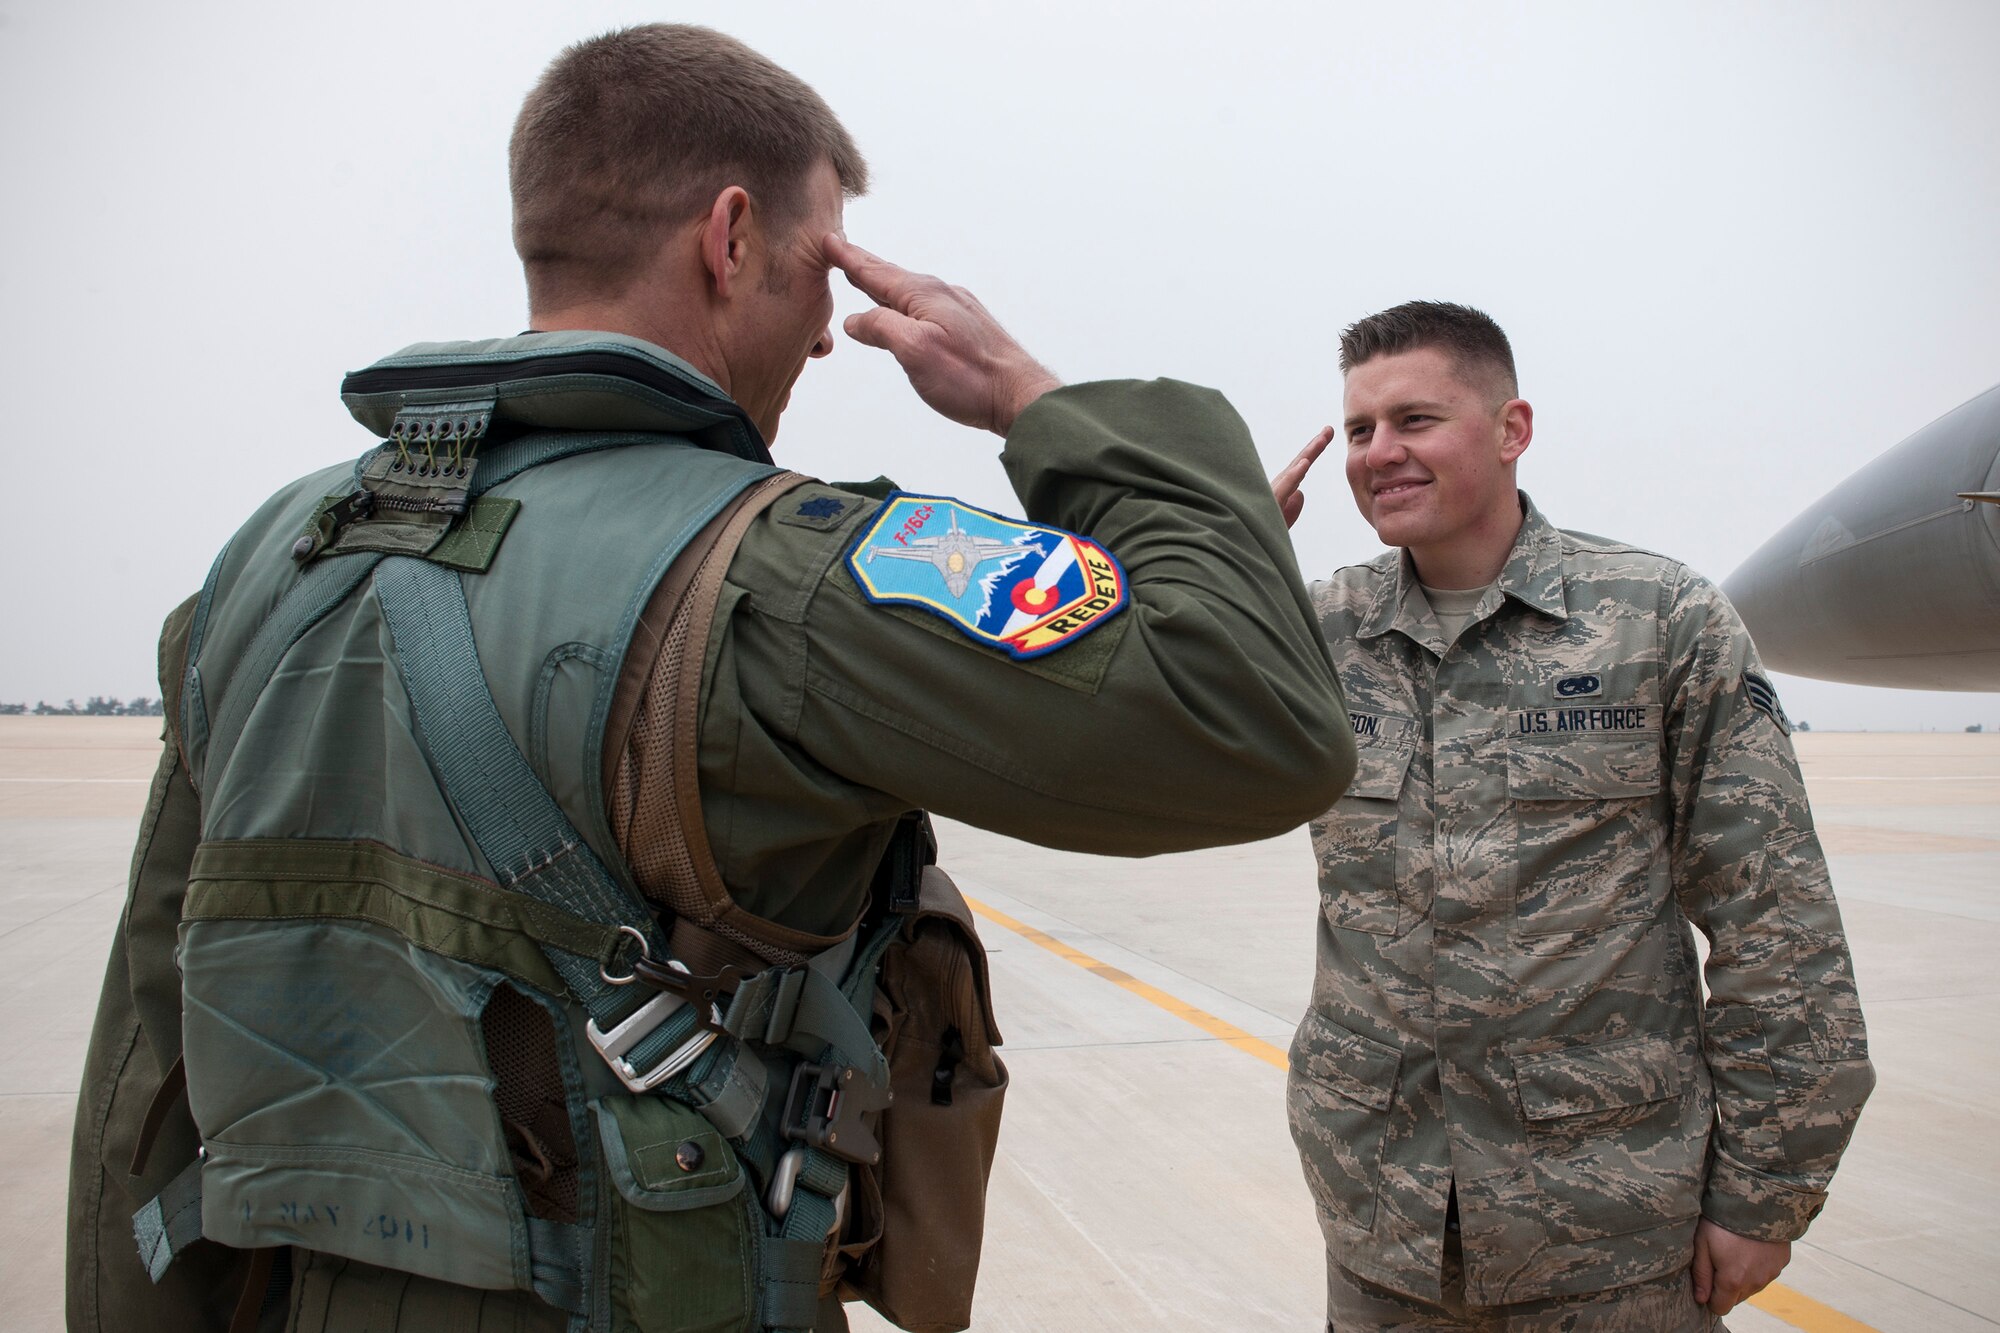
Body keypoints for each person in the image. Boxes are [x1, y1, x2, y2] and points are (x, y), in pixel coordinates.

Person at [66, 24, 1355, 1333]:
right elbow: (1254, 716)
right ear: (730, 237)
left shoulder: (274, 561)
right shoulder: (779, 576)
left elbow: (150, 1069)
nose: (827, 338)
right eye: (822, 265)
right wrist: (1030, 396)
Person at [1271, 301, 1872, 1331]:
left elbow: (1772, 921)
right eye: (1360, 429)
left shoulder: (1657, 619)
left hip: (1610, 1231)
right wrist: (1217, 561)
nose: (1380, 452)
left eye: (1415, 419)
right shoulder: (1313, 629)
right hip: (1382, 1220)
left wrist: (1764, 1191)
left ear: (1511, 429)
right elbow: (1127, 739)